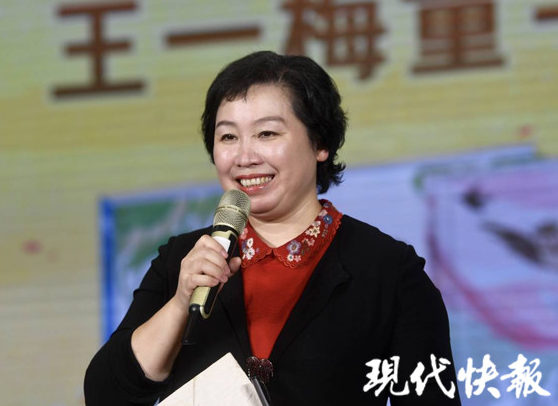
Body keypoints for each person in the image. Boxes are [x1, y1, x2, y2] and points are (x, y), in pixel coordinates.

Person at [84, 51, 461, 405]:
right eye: (228, 136)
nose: (245, 156)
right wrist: (181, 303)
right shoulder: (183, 261)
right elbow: (105, 395)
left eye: (267, 134)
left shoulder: (388, 271)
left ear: (320, 142)